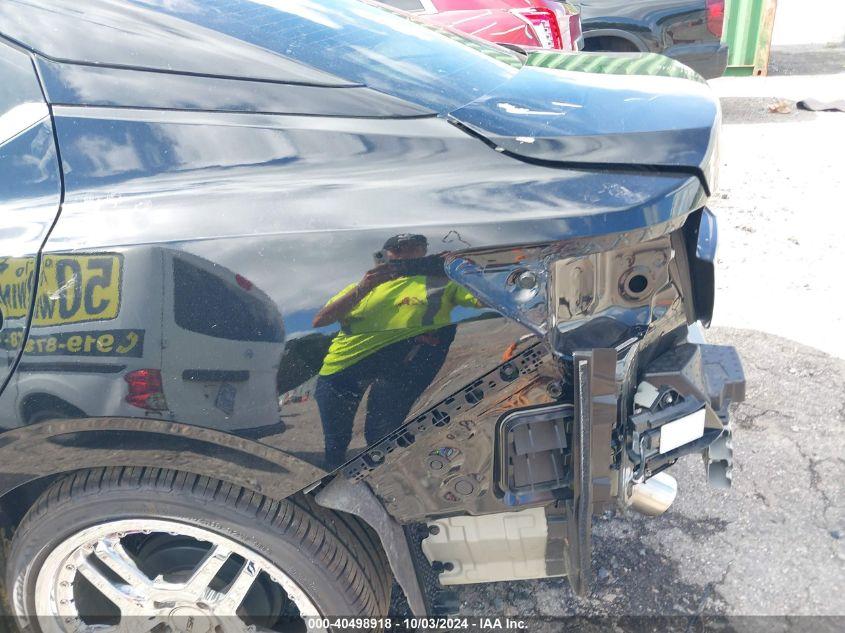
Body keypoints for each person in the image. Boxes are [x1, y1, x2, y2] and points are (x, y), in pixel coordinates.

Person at [312, 234, 479, 470]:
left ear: (424, 253)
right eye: (398, 248)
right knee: (335, 443)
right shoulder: (364, 285)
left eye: (416, 247)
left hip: (399, 367)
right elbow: (320, 320)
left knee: (380, 435)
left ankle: (381, 486)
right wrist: (364, 286)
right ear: (385, 254)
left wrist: (468, 271)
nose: (405, 253)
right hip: (340, 370)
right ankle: (330, 480)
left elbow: (483, 300)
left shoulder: (441, 282)